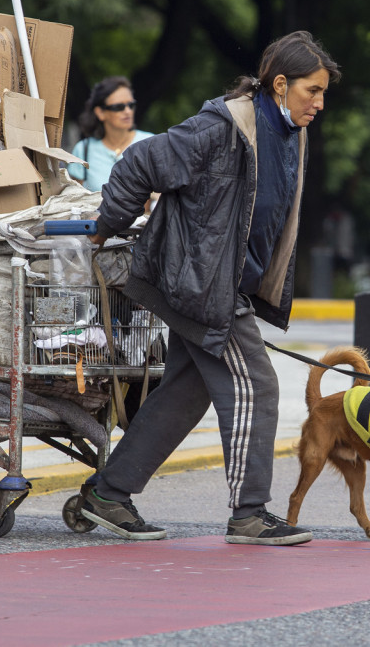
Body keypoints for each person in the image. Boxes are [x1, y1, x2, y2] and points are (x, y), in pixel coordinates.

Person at [79, 31, 340, 546]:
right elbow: (140, 162)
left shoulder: (290, 132)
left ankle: (106, 495)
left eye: (324, 92)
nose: (320, 102)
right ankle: (249, 513)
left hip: (220, 284)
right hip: (200, 286)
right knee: (256, 386)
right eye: (313, 90)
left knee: (183, 392)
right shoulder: (221, 128)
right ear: (280, 84)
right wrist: (108, 223)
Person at [67, 76, 154, 192]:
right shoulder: (83, 149)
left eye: (131, 105)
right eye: (119, 107)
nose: (128, 111)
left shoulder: (150, 143)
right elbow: (75, 198)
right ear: (100, 113)